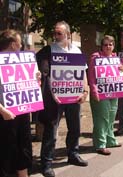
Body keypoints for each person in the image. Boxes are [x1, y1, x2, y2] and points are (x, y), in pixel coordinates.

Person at [36, 21, 88, 177]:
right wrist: (53, 94)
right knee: (51, 131)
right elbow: (46, 75)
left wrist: (85, 91)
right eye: (55, 32)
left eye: (59, 33)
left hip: (74, 98)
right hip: (55, 99)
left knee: (75, 127)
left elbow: (83, 73)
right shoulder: (48, 50)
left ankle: (73, 153)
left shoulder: (76, 51)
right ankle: (46, 163)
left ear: (68, 34)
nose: (55, 35)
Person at [0, 29, 32, 177]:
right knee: (6, 150)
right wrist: (2, 111)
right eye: (19, 43)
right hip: (5, 115)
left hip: (22, 112)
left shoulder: (23, 61)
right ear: (13, 44)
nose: (21, 46)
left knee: (23, 147)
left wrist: (34, 78)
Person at [88, 35, 123, 155]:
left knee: (112, 117)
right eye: (105, 44)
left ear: (113, 46)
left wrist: (122, 69)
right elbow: (91, 77)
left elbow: (120, 75)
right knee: (101, 118)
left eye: (110, 44)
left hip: (114, 91)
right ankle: (100, 144)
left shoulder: (115, 58)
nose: (108, 47)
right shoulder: (96, 57)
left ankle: (110, 140)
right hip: (100, 92)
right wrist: (94, 91)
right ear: (101, 46)